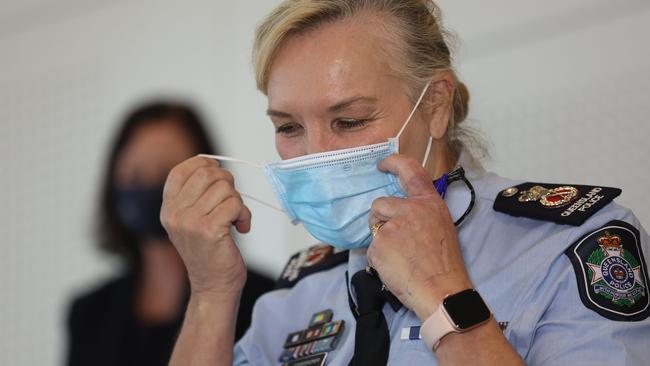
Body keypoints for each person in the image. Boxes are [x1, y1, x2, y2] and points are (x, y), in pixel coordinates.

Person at [161, 1, 650, 365]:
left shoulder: (576, 246)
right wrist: (211, 292)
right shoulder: (300, 292)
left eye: (349, 121)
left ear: (436, 105)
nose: (315, 155)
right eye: (288, 127)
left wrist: (443, 294)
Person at [66, 101, 275, 366]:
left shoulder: (265, 297)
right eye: (135, 174)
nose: (149, 186)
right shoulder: (89, 311)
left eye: (166, 174)